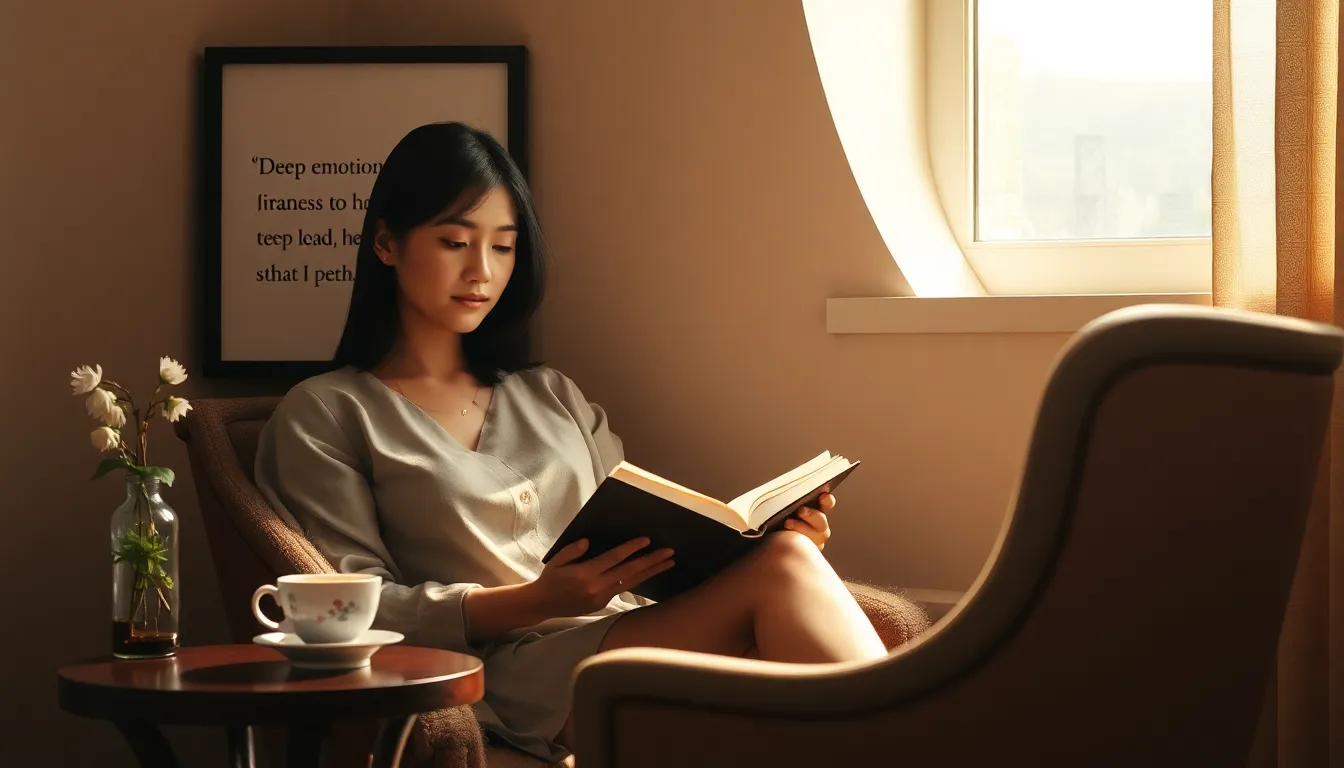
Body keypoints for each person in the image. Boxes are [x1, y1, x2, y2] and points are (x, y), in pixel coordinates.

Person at [253, 121, 887, 763]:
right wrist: (532, 601)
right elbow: (354, 605)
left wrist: (749, 545)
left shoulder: (552, 394)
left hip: (628, 629)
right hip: (502, 672)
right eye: (454, 242)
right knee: (786, 576)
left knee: (784, 560)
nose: (482, 271)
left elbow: (645, 534)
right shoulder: (327, 412)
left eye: (503, 247)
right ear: (386, 243)